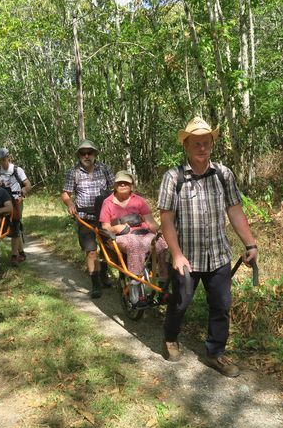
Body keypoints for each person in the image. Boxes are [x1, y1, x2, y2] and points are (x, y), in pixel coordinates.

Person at [157, 117, 258, 377]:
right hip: (186, 258)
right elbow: (166, 219)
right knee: (180, 303)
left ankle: (216, 353)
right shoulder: (173, 177)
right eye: (196, 143)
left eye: (206, 142)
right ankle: (170, 338)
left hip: (218, 254)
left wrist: (250, 243)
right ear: (186, 146)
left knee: (221, 305)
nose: (202, 148)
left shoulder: (223, 174)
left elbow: (235, 211)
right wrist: (176, 254)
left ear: (212, 144)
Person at [99, 170, 169, 304]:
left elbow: (151, 222)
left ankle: (163, 288)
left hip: (143, 234)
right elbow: (105, 227)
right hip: (120, 237)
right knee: (135, 244)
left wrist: (162, 231)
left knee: (161, 243)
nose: (123, 185)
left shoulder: (139, 201)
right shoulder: (107, 203)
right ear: (114, 185)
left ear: (131, 185)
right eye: (120, 182)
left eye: (126, 182)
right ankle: (135, 291)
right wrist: (116, 228)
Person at [61, 139, 115, 299]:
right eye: (83, 153)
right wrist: (70, 204)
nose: (86, 155)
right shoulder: (73, 172)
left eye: (89, 152)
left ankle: (105, 276)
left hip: (105, 216)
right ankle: (96, 283)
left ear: (94, 154)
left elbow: (115, 188)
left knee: (109, 248)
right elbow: (65, 193)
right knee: (91, 251)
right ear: (79, 155)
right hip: (85, 217)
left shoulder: (104, 169)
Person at [0, 148, 31, 265]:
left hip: (17, 201)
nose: (3, 162)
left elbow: (28, 185)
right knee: (10, 228)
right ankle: (21, 253)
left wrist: (23, 193)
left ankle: (14, 256)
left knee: (15, 226)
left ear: (8, 157)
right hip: (4, 202)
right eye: (0, 160)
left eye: (4, 159)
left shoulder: (17, 170)